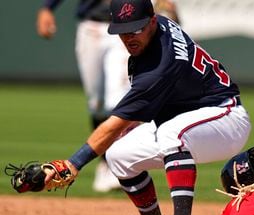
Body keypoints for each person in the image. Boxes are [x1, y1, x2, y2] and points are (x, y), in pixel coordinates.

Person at [43, 0, 251, 215]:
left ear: (152, 22)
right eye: (123, 30)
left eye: (137, 28)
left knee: (170, 133)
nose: (129, 36)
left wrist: (72, 164)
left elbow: (114, 125)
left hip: (225, 116)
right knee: (119, 155)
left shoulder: (159, 66)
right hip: (190, 116)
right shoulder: (159, 24)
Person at [36, 0, 180, 192]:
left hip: (126, 26)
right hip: (91, 25)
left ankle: (117, 163)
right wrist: (48, 8)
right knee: (96, 103)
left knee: (118, 100)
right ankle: (105, 163)